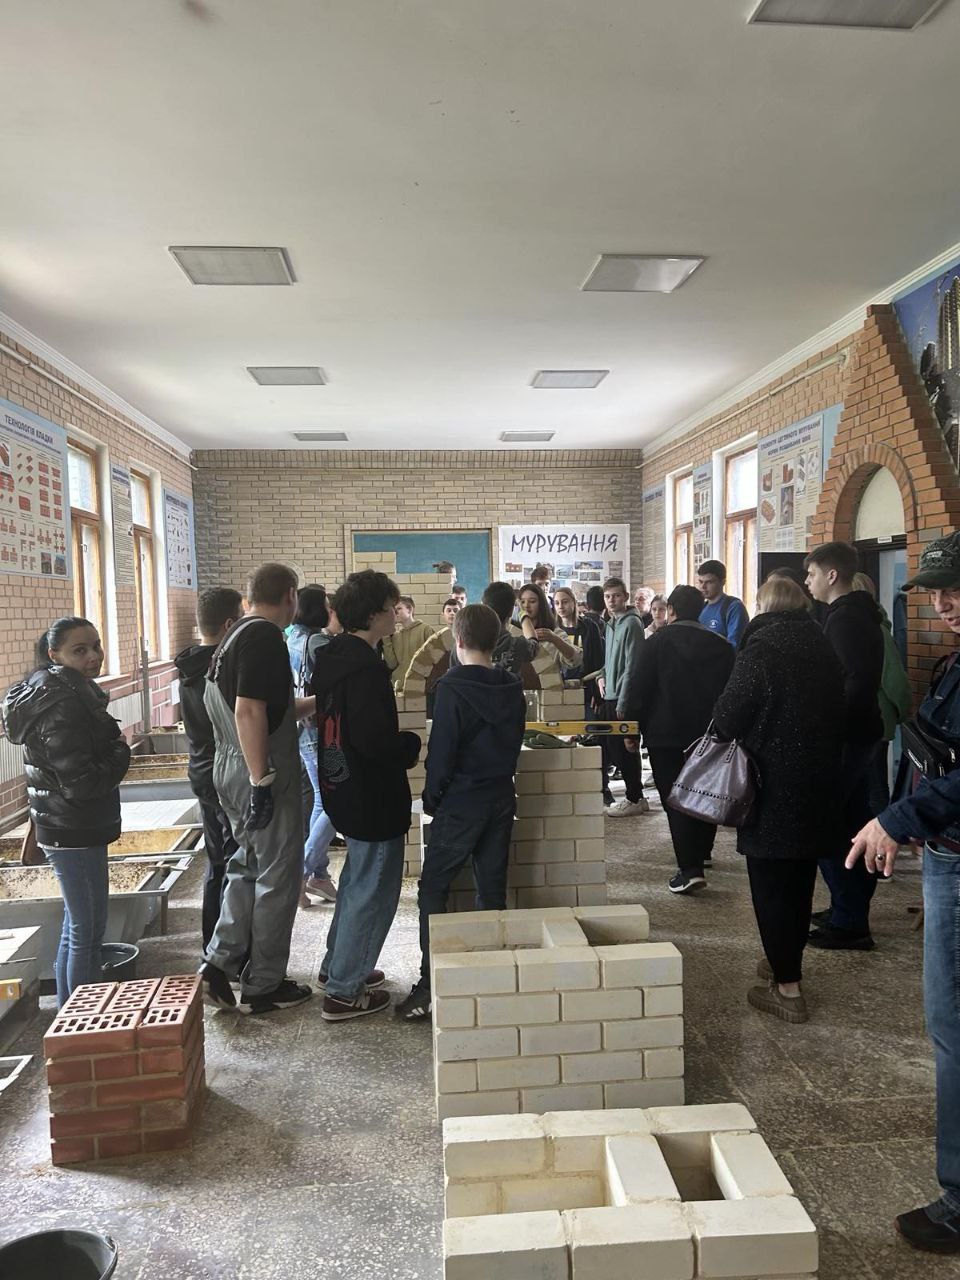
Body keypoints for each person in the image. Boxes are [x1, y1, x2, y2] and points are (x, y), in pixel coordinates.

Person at [846, 532, 960, 1253]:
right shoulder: (951, 665)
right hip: (945, 852)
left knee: (955, 1031)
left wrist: (898, 818)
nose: (946, 603)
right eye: (937, 592)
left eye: (957, 589)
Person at [712, 577, 846, 1023]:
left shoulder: (762, 649)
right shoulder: (822, 644)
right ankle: (783, 957)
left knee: (770, 886)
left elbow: (728, 716)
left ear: (763, 607)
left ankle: (787, 989)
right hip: (817, 782)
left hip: (769, 786)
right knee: (800, 882)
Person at [397, 604, 526, 1020]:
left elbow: (443, 751)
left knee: (433, 888)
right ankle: (494, 980)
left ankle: (429, 985)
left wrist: (432, 797)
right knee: (491, 891)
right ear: (496, 641)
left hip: (461, 802)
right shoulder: (512, 686)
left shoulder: (451, 688)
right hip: (501, 797)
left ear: (458, 640)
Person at [198, 563, 315, 1016]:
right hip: (258, 770)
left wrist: (320, 700)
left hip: (230, 767)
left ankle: (217, 965)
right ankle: (265, 985)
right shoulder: (266, 637)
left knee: (246, 866)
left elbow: (268, 708)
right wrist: (262, 779)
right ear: (290, 595)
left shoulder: (234, 636)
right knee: (277, 879)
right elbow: (249, 712)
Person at [2, 617, 131, 1006]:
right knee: (87, 932)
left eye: (96, 646)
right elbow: (80, 783)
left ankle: (66, 1014)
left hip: (68, 823)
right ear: (54, 654)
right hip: (73, 826)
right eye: (80, 650)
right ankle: (83, 1021)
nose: (93, 656)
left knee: (78, 927)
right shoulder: (63, 704)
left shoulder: (62, 691)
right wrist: (120, 753)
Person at [314, 571, 422, 1021]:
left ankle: (338, 966)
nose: (396, 615)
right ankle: (344, 991)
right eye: (391, 608)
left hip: (342, 787)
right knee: (373, 891)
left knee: (357, 881)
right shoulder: (365, 670)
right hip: (371, 795)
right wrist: (410, 745)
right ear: (374, 614)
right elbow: (375, 741)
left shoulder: (335, 656)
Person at [623, 586, 735, 893]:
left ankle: (689, 868)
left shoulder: (656, 642)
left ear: (671, 609)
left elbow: (639, 688)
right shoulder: (722, 646)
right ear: (702, 610)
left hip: (665, 734)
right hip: (709, 733)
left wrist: (631, 729)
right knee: (705, 791)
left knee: (675, 797)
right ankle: (703, 851)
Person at [805, 541, 884, 951]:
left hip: (846, 738)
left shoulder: (846, 618)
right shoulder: (854, 612)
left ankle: (850, 921)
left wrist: (826, 727)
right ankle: (847, 909)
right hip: (858, 734)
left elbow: (853, 683)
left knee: (828, 827)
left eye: (812, 574)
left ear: (831, 575)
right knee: (852, 825)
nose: (807, 582)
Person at [175, 588, 244, 949]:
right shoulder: (218, 669)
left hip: (202, 767)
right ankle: (227, 950)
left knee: (218, 859)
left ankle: (214, 947)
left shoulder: (190, 665)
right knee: (234, 861)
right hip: (222, 772)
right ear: (229, 624)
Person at [287, 585, 338, 906]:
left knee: (322, 800)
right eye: (327, 605)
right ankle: (302, 872)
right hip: (319, 728)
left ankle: (318, 875)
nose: (331, 610)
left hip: (301, 729)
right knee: (333, 802)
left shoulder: (291, 637)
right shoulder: (318, 642)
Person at [851, 571, 912, 813]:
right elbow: (895, 680)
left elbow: (893, 679)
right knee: (872, 784)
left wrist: (905, 714)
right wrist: (903, 713)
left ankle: (880, 833)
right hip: (877, 718)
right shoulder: (875, 628)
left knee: (873, 786)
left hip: (873, 719)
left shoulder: (870, 630)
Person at [599, 577, 648, 815]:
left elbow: (632, 666)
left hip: (624, 697)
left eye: (617, 596)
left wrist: (624, 701)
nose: (612, 601)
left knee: (628, 747)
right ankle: (634, 795)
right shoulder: (611, 624)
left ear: (626, 597)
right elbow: (609, 661)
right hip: (610, 695)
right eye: (608, 596)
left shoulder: (632, 624)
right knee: (615, 747)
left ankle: (635, 797)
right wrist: (601, 676)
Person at [450, 581, 539, 677]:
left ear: (483, 605)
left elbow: (453, 676)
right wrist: (522, 613)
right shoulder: (517, 645)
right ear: (511, 612)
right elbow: (534, 644)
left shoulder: (461, 645)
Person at [553, 587, 605, 696]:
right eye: (557, 603)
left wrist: (596, 692)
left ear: (574, 602)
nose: (560, 606)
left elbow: (598, 661)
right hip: (559, 688)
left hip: (586, 686)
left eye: (565, 602)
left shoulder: (590, 626)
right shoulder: (553, 630)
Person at [518, 583, 580, 669]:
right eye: (522, 602)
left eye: (532, 601)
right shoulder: (514, 630)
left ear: (541, 604)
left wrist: (554, 639)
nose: (526, 606)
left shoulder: (553, 633)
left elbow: (576, 660)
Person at [383, 596, 436, 691]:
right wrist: (386, 638)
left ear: (410, 609)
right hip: (400, 688)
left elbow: (435, 659)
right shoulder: (395, 636)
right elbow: (392, 664)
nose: (395, 612)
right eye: (394, 610)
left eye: (399, 608)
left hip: (422, 688)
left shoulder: (425, 630)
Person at [698, 560, 750, 646]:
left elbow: (734, 645)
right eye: (700, 582)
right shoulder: (701, 607)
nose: (703, 587)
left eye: (709, 582)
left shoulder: (734, 607)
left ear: (723, 582)